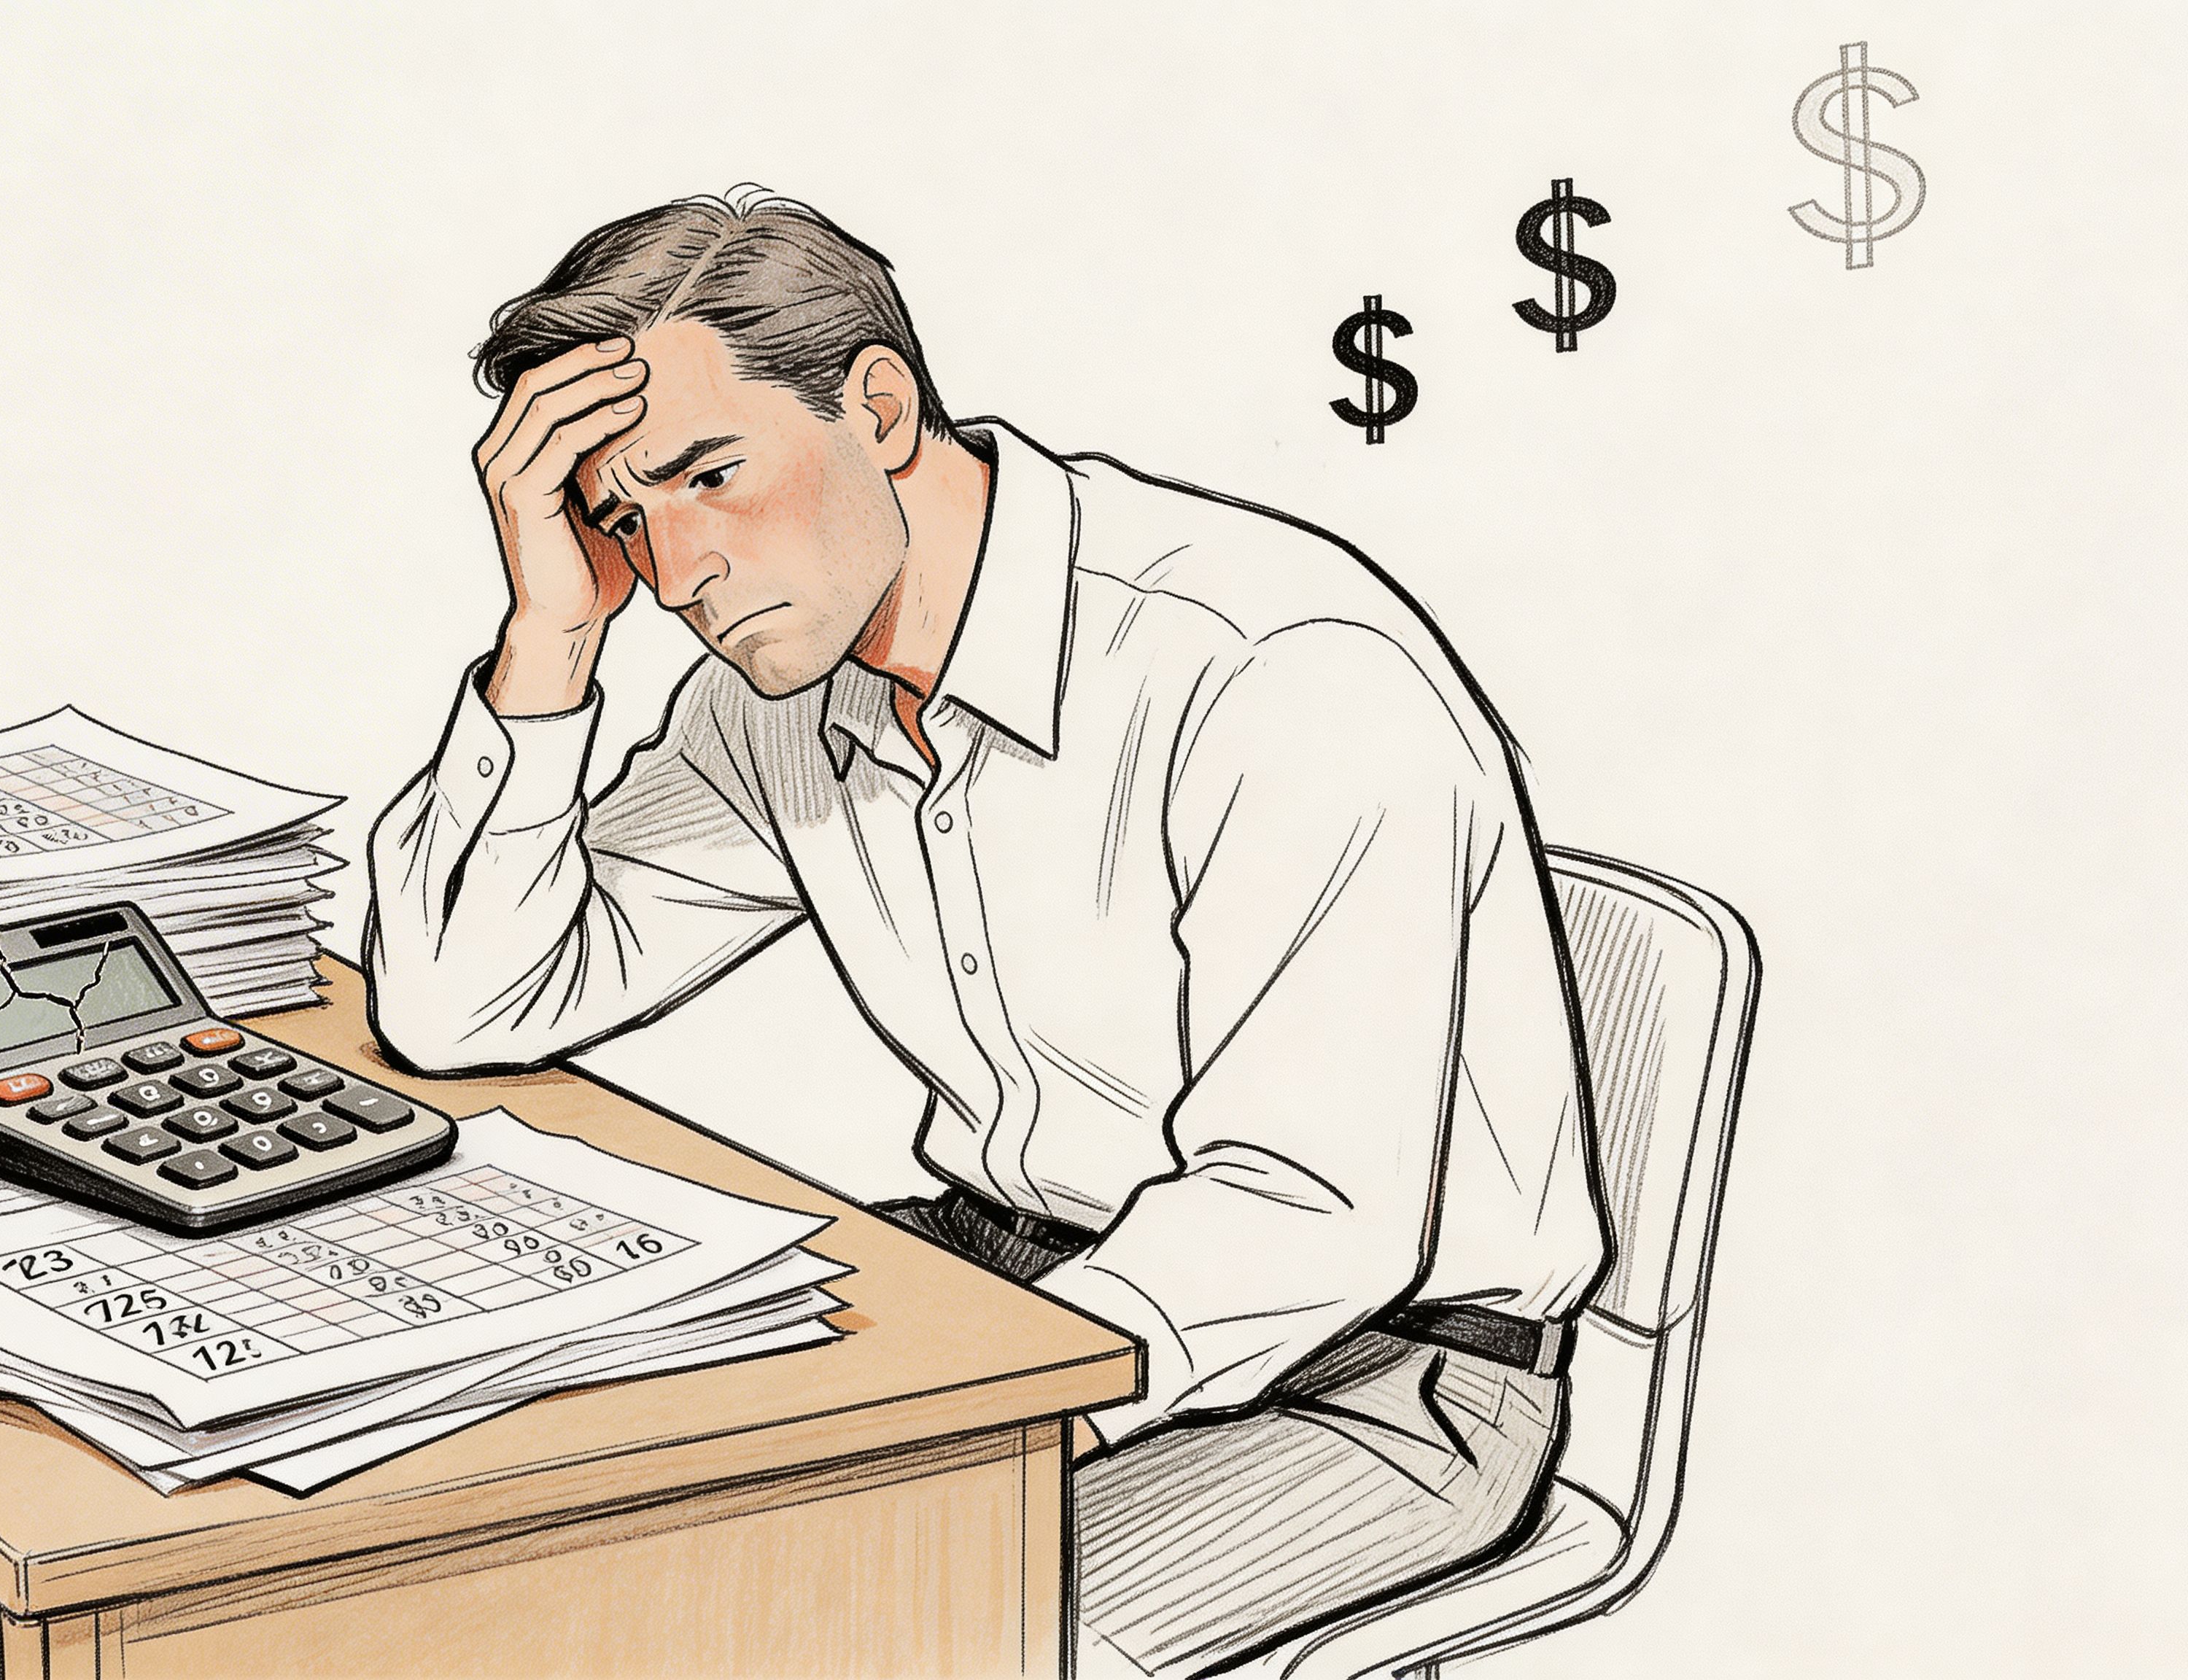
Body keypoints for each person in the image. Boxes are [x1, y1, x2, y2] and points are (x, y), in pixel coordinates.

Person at [363, 189, 1610, 1677]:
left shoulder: (1272, 671)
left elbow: (1309, 1213)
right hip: (989, 1295)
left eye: (708, 473)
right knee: (481, 1527)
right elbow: (456, 1009)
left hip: (1370, 1382)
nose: (677, 569)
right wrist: (551, 640)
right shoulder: (779, 696)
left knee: (860, 1643)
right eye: (625, 516)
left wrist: (951, 1424)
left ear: (876, 408)